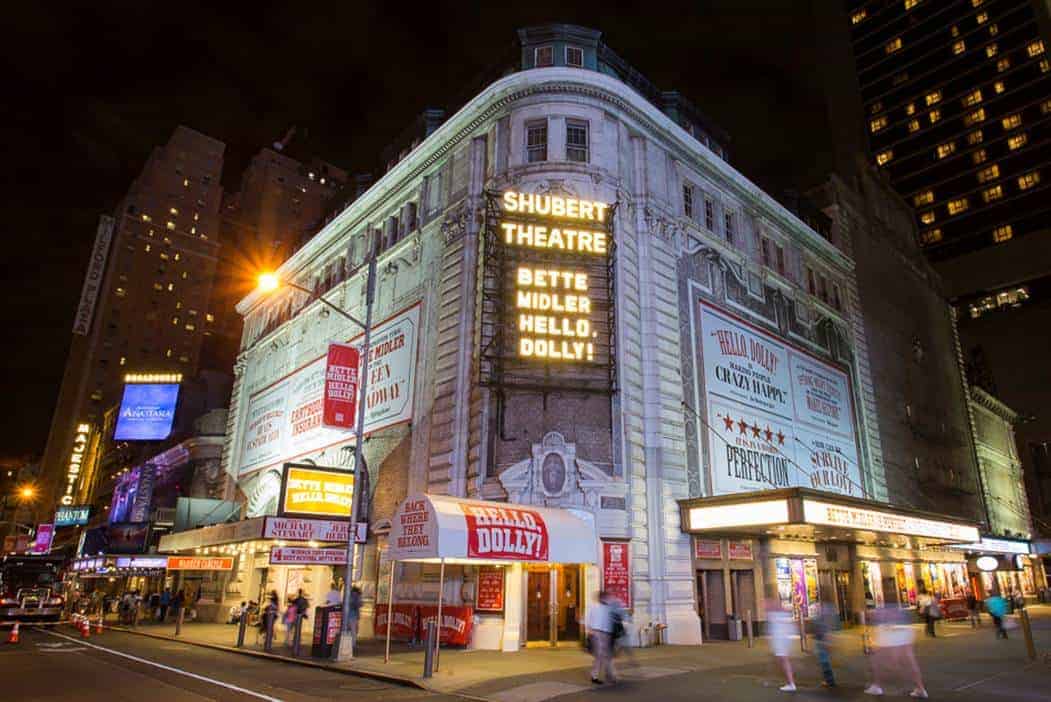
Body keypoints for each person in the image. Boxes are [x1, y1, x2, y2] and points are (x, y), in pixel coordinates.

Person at [865, 605, 928, 698]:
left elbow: (873, 616)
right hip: (903, 626)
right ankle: (920, 688)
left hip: (888, 628)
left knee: (878, 660)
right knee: (909, 661)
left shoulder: (881, 607)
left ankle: (877, 686)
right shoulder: (898, 607)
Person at [766, 596, 797, 693]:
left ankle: (791, 683)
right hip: (781, 641)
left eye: (768, 603)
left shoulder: (778, 615)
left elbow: (782, 629)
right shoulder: (779, 614)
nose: (766, 605)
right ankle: (789, 680)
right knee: (780, 661)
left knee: (783, 661)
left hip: (781, 641)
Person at [586, 591, 616, 685]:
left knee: (607, 655)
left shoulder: (608, 608)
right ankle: (594, 676)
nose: (607, 599)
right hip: (596, 632)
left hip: (606, 633)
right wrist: (589, 630)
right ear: (600, 598)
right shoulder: (593, 607)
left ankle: (610, 675)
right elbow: (587, 619)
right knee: (599, 655)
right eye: (605, 597)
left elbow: (611, 621)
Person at [812, 600, 837, 688]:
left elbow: (824, 630)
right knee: (824, 662)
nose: (816, 608)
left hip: (822, 642)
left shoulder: (822, 617)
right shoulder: (821, 617)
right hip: (821, 641)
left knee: (825, 662)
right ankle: (829, 680)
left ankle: (830, 681)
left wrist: (827, 641)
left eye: (817, 607)